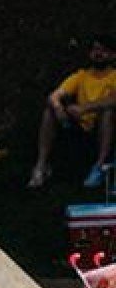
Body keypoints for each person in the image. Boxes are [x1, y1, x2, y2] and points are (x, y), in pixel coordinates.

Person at [28, 35, 116, 190]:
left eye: (104, 51)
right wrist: (58, 108)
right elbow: (55, 95)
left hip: (102, 126)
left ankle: (99, 166)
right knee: (49, 112)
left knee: (108, 112)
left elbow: (113, 101)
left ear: (112, 55)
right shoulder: (81, 75)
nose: (98, 54)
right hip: (79, 123)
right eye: (95, 49)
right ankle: (41, 166)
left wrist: (85, 108)